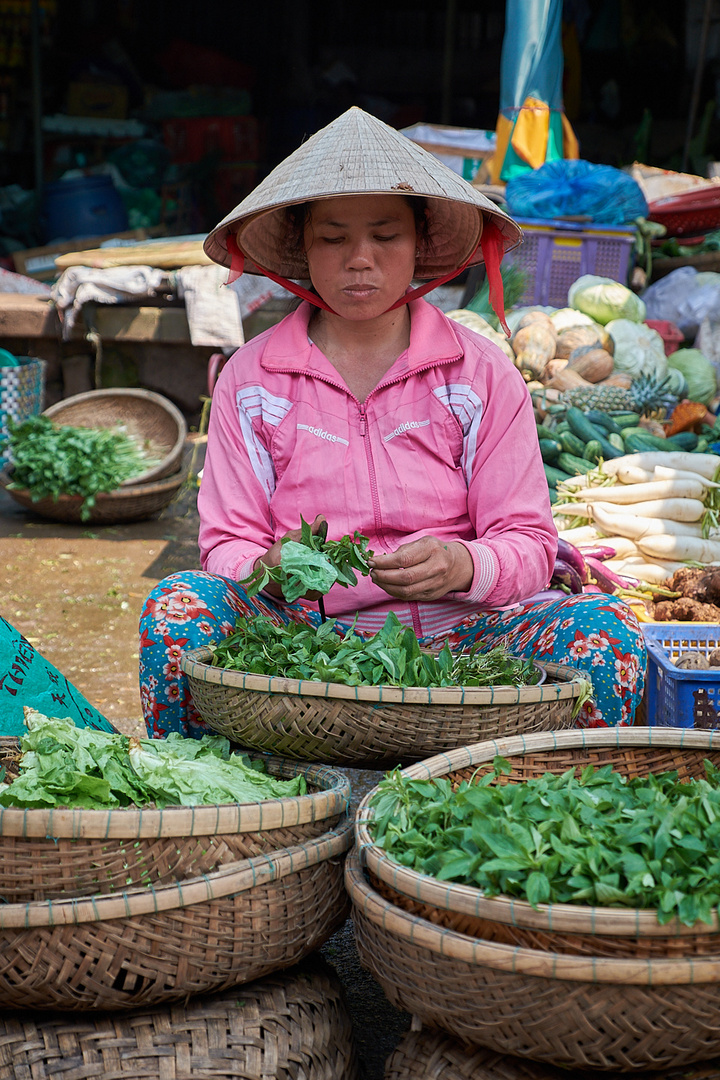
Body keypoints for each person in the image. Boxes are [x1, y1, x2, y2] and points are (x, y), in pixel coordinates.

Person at [138, 106, 645, 738]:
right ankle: (208, 806)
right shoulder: (253, 379)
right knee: (177, 609)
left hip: (466, 640)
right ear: (302, 246)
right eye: (333, 238)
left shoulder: (479, 373)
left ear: (420, 244)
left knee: (605, 633)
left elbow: (529, 542)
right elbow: (225, 544)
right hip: (306, 646)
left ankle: (558, 801)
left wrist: (461, 565)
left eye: (386, 235)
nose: (360, 259)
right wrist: (274, 566)